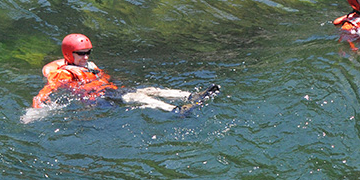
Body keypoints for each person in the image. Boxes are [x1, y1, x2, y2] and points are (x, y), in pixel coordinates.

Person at [31, 34, 219, 114]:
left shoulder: (89, 65)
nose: (85, 56)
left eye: (88, 52)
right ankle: (176, 111)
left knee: (150, 90)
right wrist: (35, 108)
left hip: (109, 91)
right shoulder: (64, 74)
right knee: (139, 97)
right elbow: (48, 90)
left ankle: (191, 95)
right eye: (81, 54)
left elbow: (104, 77)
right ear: (68, 54)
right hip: (99, 99)